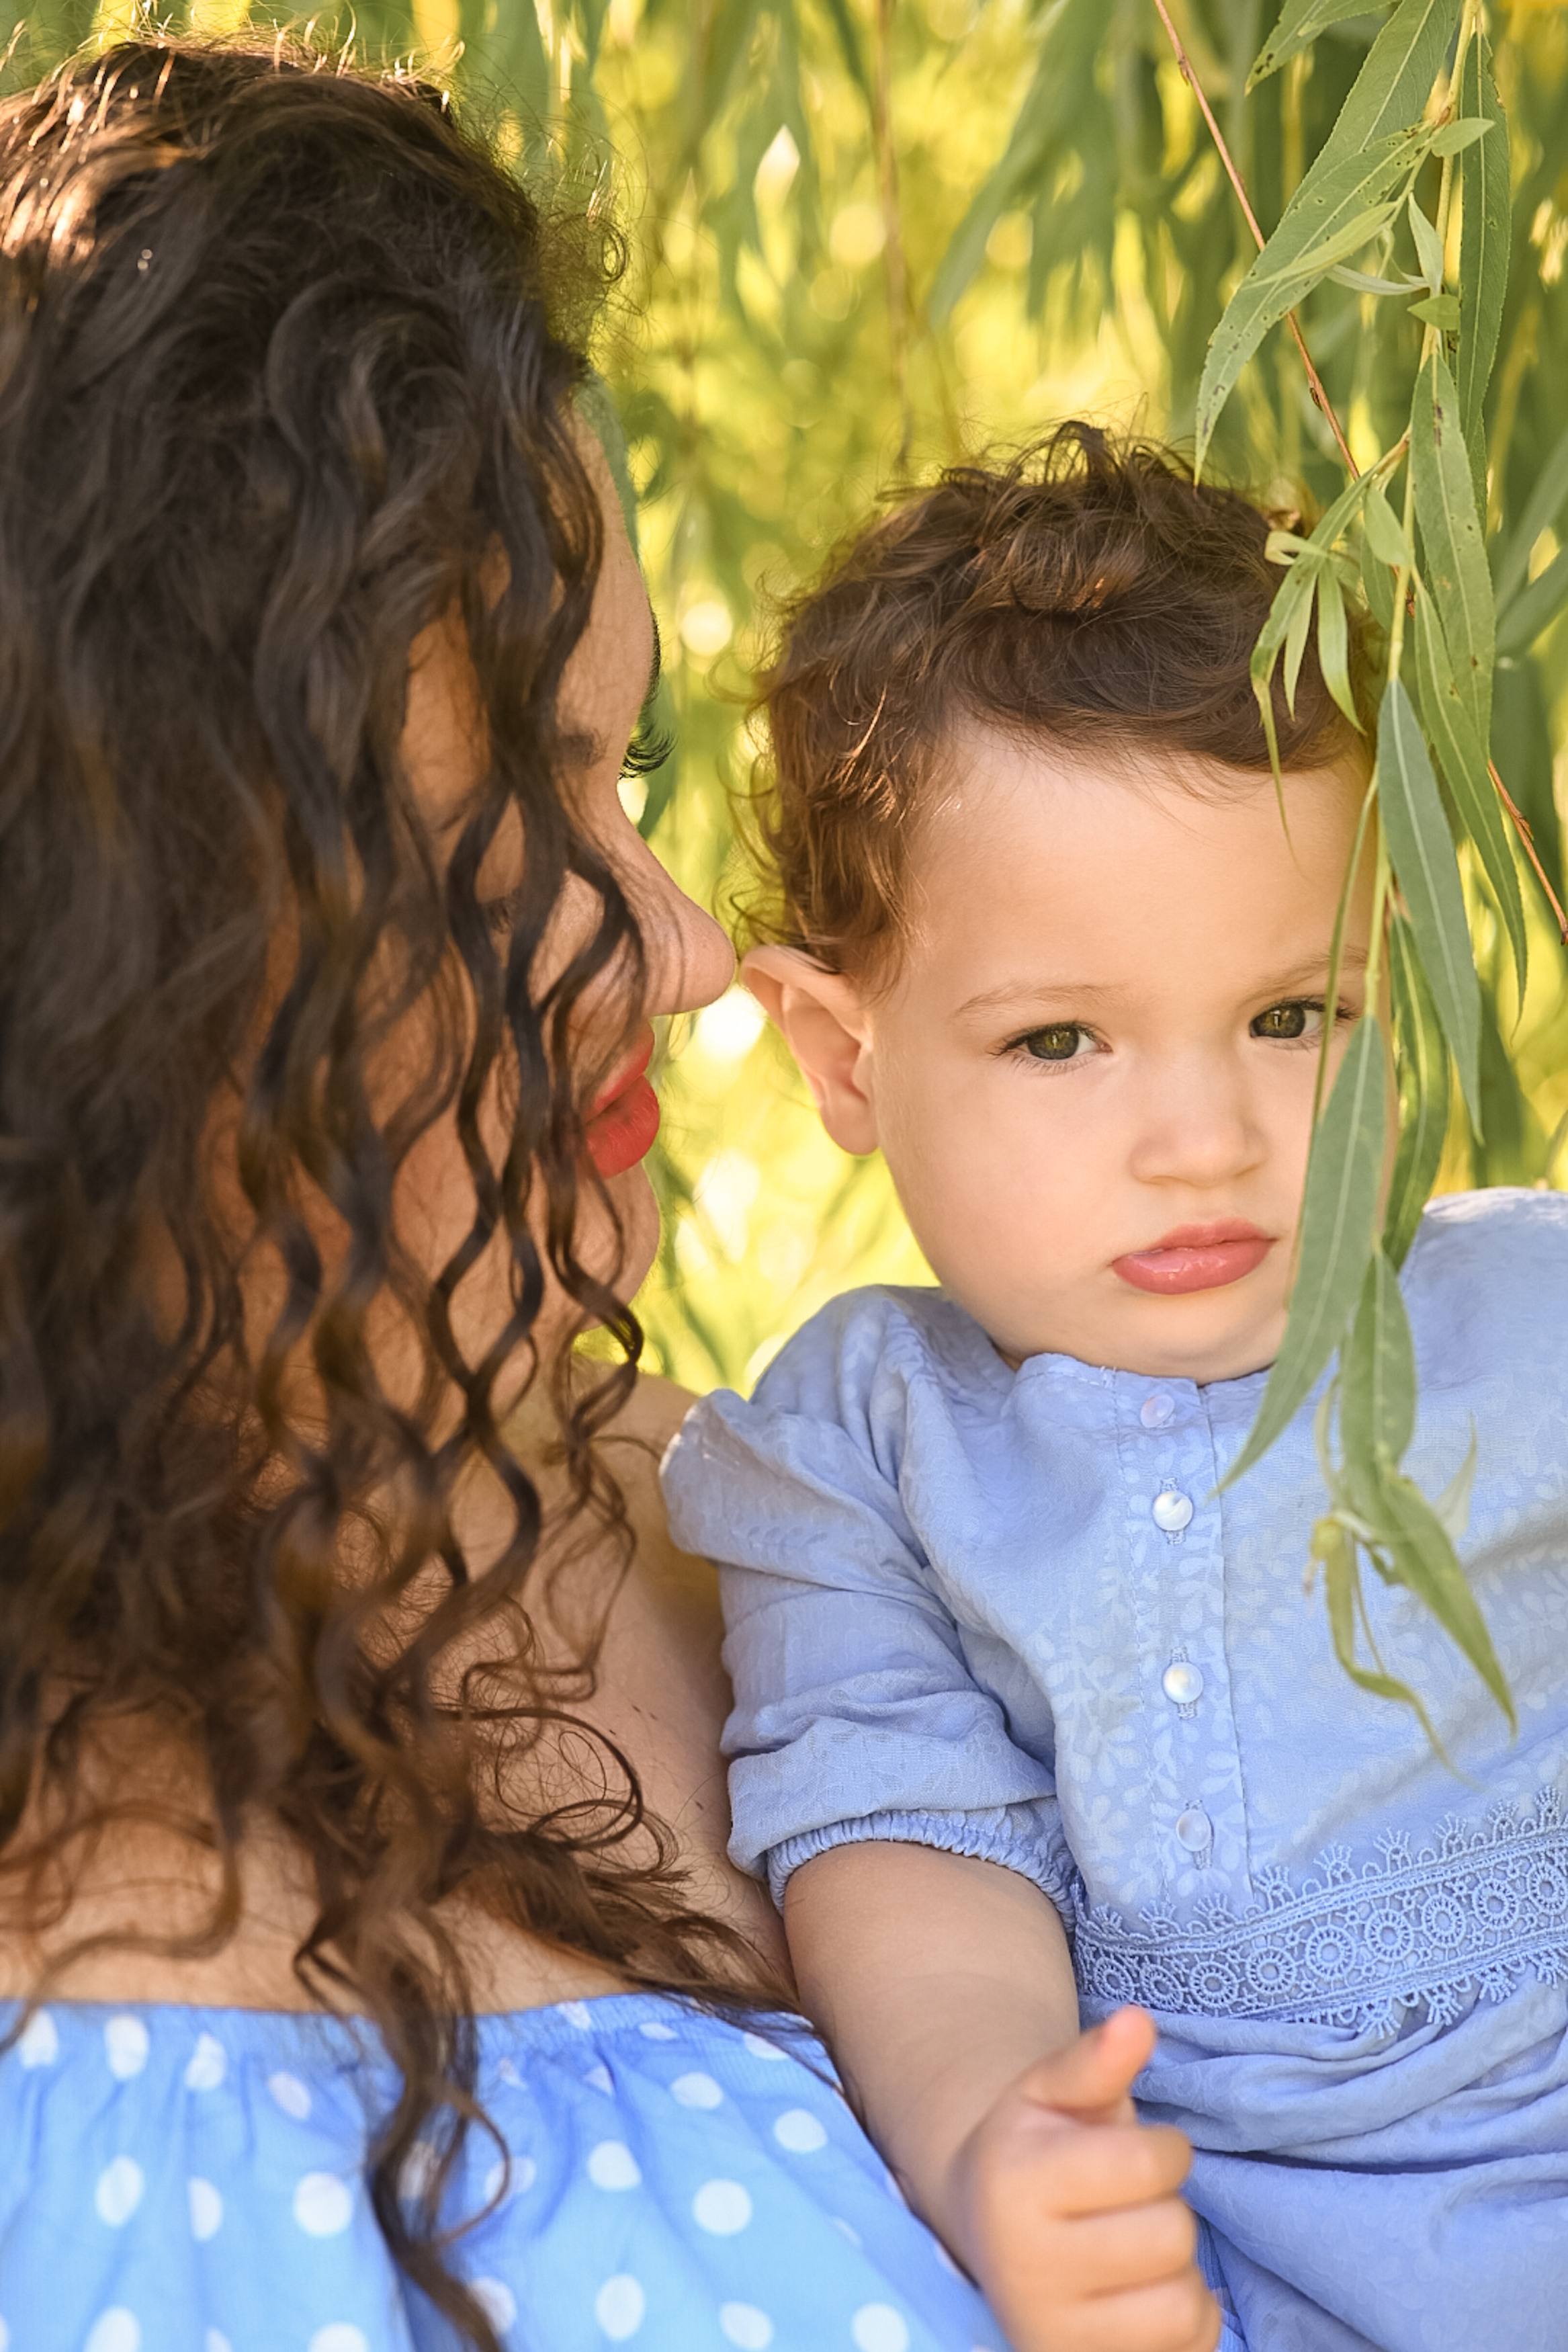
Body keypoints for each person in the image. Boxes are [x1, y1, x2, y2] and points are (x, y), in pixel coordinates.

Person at [0, 40, 1008, 2352]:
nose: (676, 948)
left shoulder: (825, 1586)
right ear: (152, 910)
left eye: (630, 765)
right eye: (538, 803)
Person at [661, 429, 1568, 2352]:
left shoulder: (1526, 1310)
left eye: (1292, 1016)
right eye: (1061, 1038)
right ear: (842, 1053)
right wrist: (1005, 2138)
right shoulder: (862, 1457)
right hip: (1234, 2256)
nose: (1203, 1136)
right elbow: (911, 1861)